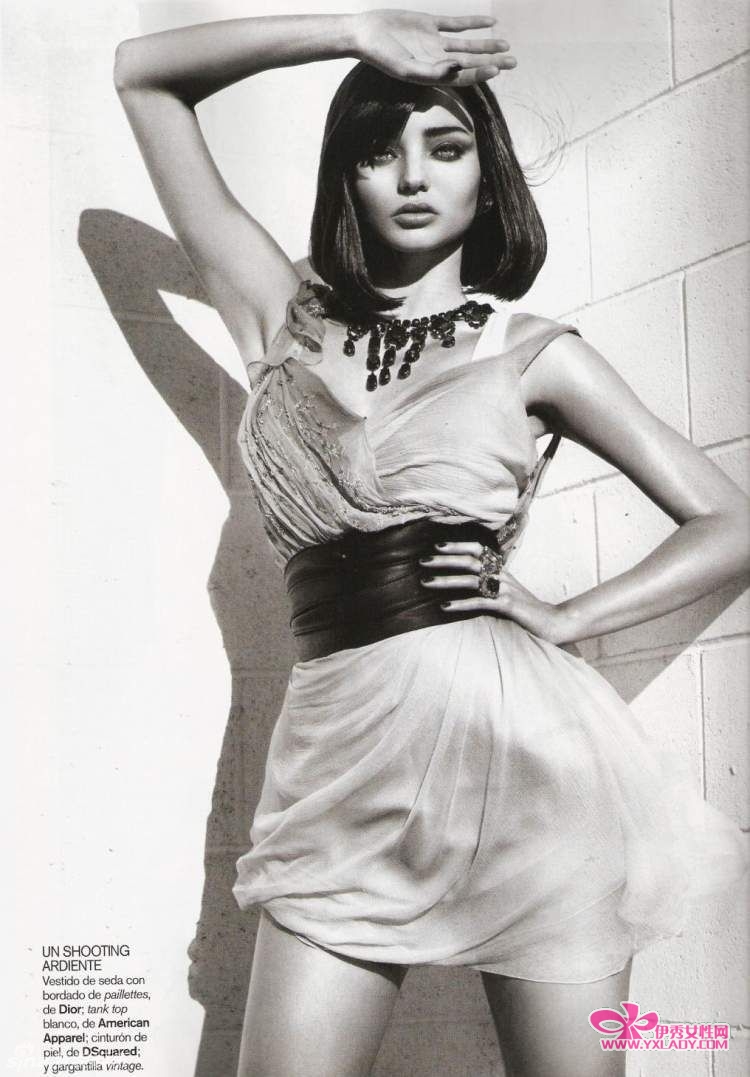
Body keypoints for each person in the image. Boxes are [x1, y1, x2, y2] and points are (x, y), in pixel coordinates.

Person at [114, 10, 749, 1077]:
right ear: (346, 176)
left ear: (486, 177)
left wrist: (569, 616)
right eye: (378, 150)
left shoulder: (534, 352)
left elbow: (731, 520)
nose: (412, 176)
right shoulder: (281, 320)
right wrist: (350, 34)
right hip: (336, 771)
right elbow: (142, 77)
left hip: (528, 772)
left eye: (445, 147)